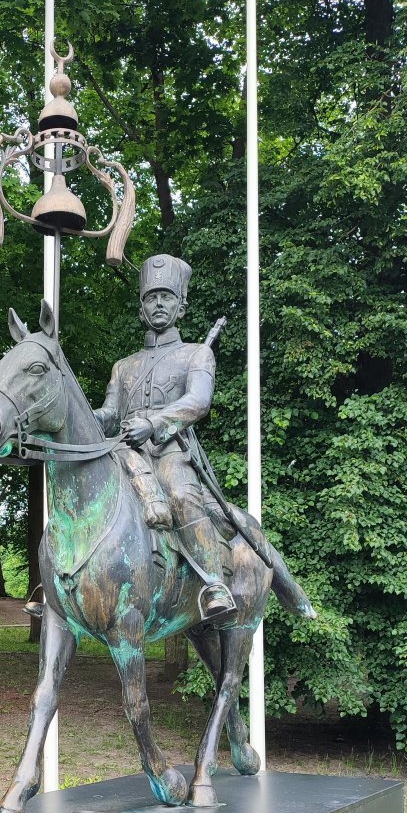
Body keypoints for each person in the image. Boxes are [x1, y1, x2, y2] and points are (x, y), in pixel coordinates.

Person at [94, 253, 237, 625]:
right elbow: (110, 412)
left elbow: (197, 402)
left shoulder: (196, 354)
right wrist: (86, 417)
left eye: (166, 297)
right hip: (123, 453)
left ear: (181, 306)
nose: (158, 304)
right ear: (141, 309)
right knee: (85, 493)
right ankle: (65, 583)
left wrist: (154, 422)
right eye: (150, 298)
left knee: (180, 495)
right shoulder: (123, 366)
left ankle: (214, 583)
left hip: (168, 450)